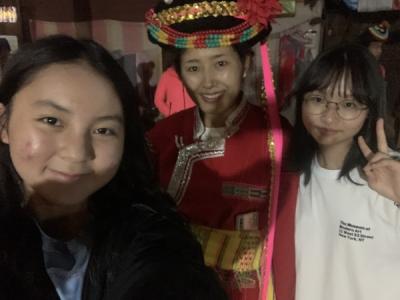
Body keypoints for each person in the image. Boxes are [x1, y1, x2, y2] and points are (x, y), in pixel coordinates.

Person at [0, 34, 227, 300]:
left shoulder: (146, 230)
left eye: (103, 130)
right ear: (4, 123)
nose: (77, 153)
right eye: (51, 120)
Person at [146, 0, 287, 299]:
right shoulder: (161, 137)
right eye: (194, 67)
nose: (208, 82)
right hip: (176, 282)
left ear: (245, 64)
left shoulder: (276, 135)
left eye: (221, 63)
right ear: (180, 74)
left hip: (248, 289)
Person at [273, 44, 400, 300]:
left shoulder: (392, 175)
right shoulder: (289, 176)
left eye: (349, 104)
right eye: (318, 100)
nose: (329, 118)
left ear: (369, 112)